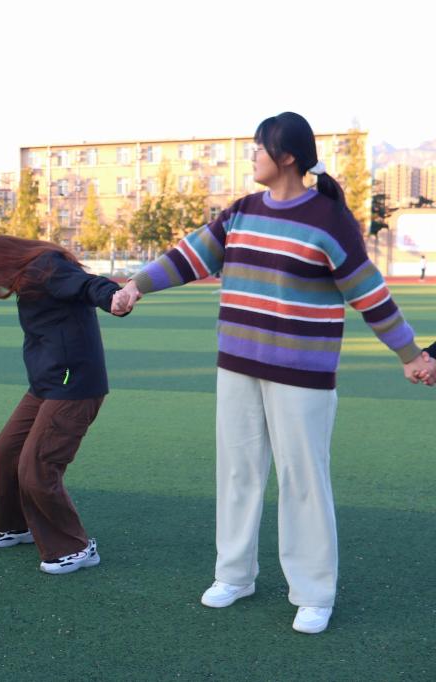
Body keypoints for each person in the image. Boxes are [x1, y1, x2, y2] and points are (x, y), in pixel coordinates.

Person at [115, 112, 433, 634]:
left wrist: (410, 355)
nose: (252, 156)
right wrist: (136, 286)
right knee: (237, 472)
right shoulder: (242, 211)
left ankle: (314, 592)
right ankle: (233, 575)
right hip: (238, 367)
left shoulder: (329, 221)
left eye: (259, 147)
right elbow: (190, 256)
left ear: (286, 156)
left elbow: (370, 295)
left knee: (303, 480)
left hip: (301, 376)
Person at [0, 226, 131, 574]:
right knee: (7, 450)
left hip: (74, 383)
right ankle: (16, 525)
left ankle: (75, 547)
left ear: (5, 262)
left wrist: (113, 298)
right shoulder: (24, 272)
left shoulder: (46, 267)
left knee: (37, 466)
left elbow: (87, 284)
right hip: (46, 383)